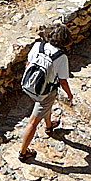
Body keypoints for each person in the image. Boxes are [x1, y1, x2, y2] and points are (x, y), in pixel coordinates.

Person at [18, 23, 73, 163]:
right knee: (32, 122)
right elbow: (63, 80)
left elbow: (28, 63)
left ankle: (49, 126)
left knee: (45, 107)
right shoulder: (61, 57)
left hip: (30, 86)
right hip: (45, 92)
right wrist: (69, 94)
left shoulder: (38, 46)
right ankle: (23, 153)